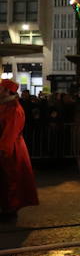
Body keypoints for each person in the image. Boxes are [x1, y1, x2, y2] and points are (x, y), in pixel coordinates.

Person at [0, 80, 38, 221]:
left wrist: (4, 149)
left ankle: (10, 210)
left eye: (1, 88)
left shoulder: (14, 109)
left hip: (11, 148)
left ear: (7, 91)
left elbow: (10, 132)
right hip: (7, 146)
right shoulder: (5, 106)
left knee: (12, 179)